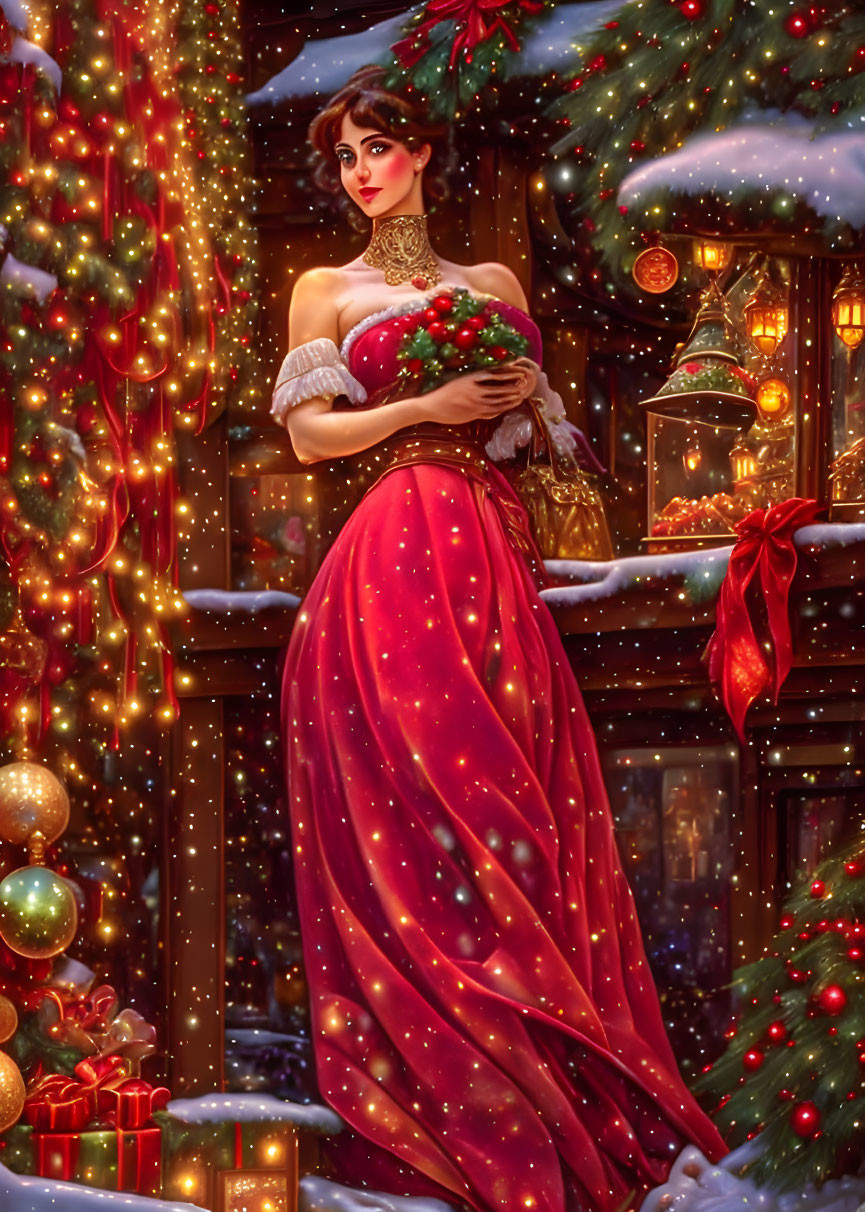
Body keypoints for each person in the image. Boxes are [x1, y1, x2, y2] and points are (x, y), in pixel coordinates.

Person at [272, 66, 726, 1212]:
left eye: (377, 148)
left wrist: (522, 398)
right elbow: (315, 443)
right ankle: (461, 1103)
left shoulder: (491, 279)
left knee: (519, 801)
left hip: (490, 545)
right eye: (344, 158)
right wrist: (428, 408)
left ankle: (546, 1072)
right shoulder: (325, 287)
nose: (361, 172)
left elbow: (534, 444)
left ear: (419, 154)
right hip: (387, 549)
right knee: (432, 805)